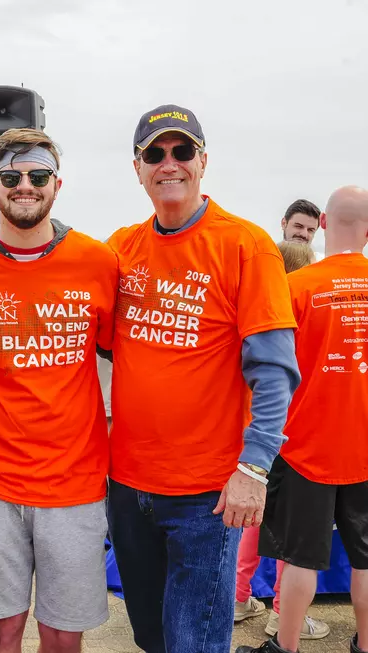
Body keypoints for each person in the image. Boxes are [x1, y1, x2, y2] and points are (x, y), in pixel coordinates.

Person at [105, 104, 301, 653]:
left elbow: (276, 372)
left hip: (206, 496)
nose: (170, 164)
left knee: (193, 642)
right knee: (151, 637)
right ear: (138, 168)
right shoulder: (122, 248)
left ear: (203, 161)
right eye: (155, 154)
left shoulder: (246, 246)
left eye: (182, 151)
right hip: (129, 486)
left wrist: (254, 469)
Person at [0, 128, 117, 653]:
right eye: (11, 177)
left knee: (62, 635)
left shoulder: (97, 262)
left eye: (37, 176)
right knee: (3, 629)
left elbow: (120, 363)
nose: (25, 186)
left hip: (75, 484)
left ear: (56, 184)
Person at [237, 186, 368, 653]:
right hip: (365, 450)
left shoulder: (295, 287)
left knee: (300, 560)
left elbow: (267, 369)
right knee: (366, 561)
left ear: (326, 225)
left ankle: (284, 647)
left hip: (305, 448)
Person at [234, 239, 329, 640]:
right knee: (291, 535)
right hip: (297, 436)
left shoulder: (262, 310)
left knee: (254, 523)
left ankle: (238, 598)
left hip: (256, 433)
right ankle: (282, 612)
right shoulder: (306, 308)